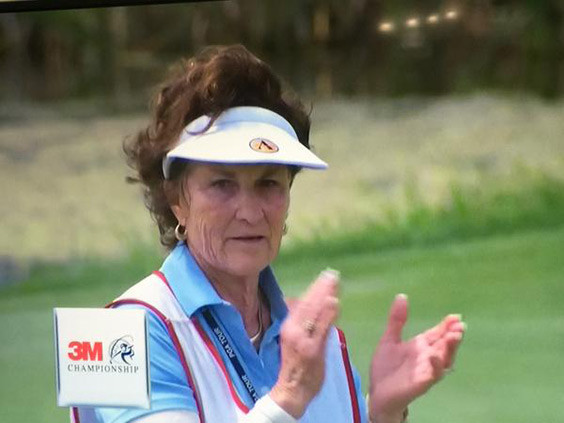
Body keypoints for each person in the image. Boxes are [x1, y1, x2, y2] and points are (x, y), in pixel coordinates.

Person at [72, 45, 465, 423]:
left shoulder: (321, 343)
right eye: (222, 184)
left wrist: (382, 413)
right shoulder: (106, 340)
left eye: (268, 184)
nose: (250, 212)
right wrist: (289, 394)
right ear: (176, 199)